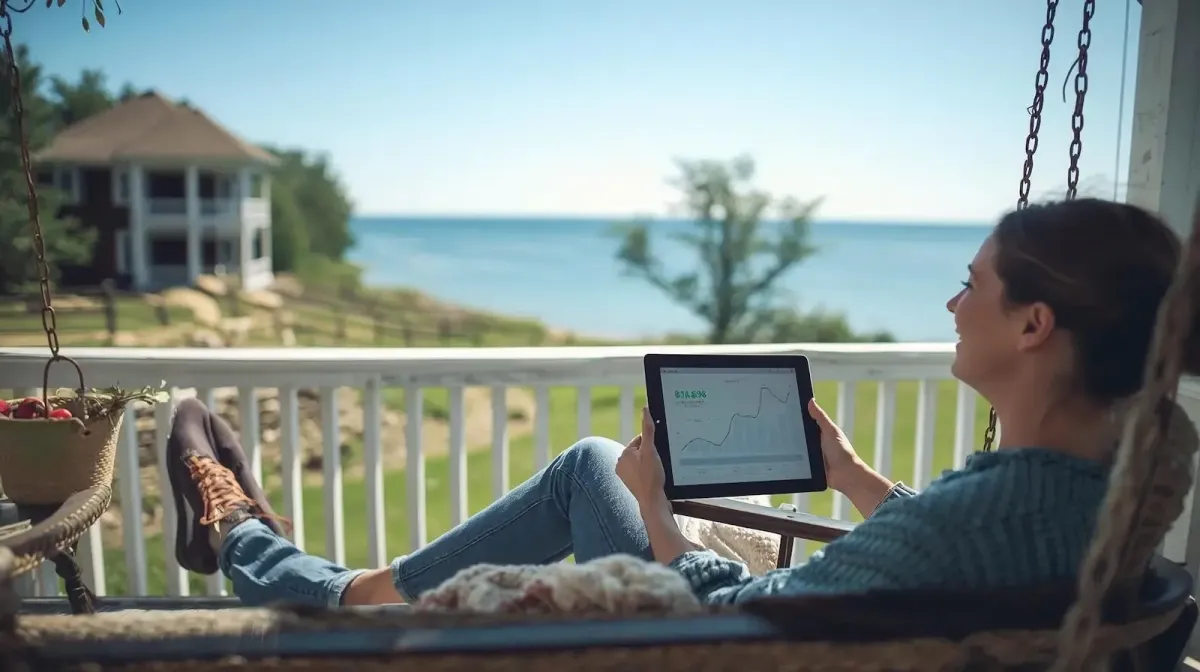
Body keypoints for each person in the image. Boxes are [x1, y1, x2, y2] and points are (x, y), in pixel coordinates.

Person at [165, 197, 1200, 609]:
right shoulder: (1112, 492)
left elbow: (736, 613)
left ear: (1034, 325)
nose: (952, 304)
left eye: (972, 284)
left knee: (591, 466)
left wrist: (656, 510)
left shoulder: (978, 523)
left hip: (701, 647)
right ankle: (319, 574)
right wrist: (848, 476)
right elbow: (948, 537)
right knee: (601, 469)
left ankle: (279, 564)